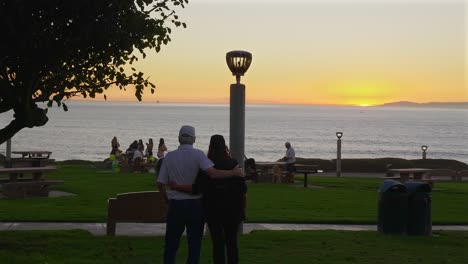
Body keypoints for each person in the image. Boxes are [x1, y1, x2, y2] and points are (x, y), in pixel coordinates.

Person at [157, 126, 244, 264]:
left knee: (171, 244)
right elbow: (214, 174)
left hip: (183, 205)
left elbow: (161, 183)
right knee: (195, 244)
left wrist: (168, 199)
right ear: (194, 139)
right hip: (198, 206)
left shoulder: (169, 157)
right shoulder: (200, 156)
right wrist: (233, 173)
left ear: (179, 139)